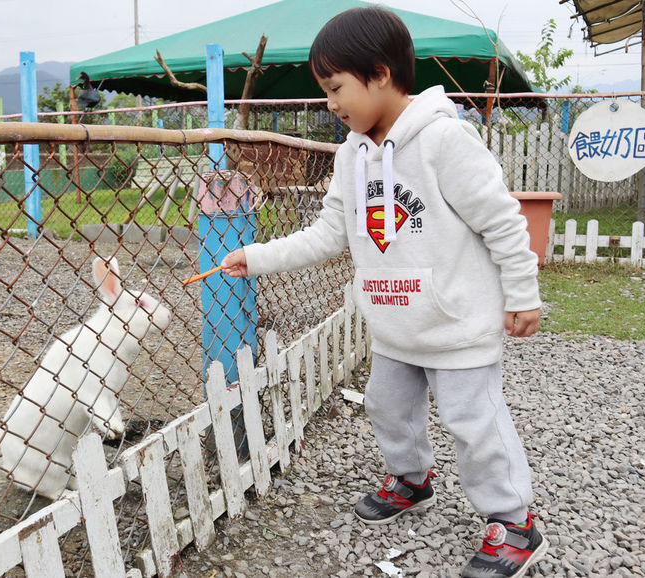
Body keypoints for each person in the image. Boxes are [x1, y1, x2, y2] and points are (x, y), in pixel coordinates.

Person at [220, 6, 548, 578]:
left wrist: (522, 293)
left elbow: (502, 220)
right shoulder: (351, 155)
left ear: (379, 73)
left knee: (474, 424)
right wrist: (259, 257)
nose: (330, 103)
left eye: (335, 87)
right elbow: (330, 233)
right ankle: (413, 478)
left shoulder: (446, 139)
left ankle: (514, 522)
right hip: (395, 325)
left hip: (457, 325)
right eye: (326, 91)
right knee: (386, 406)